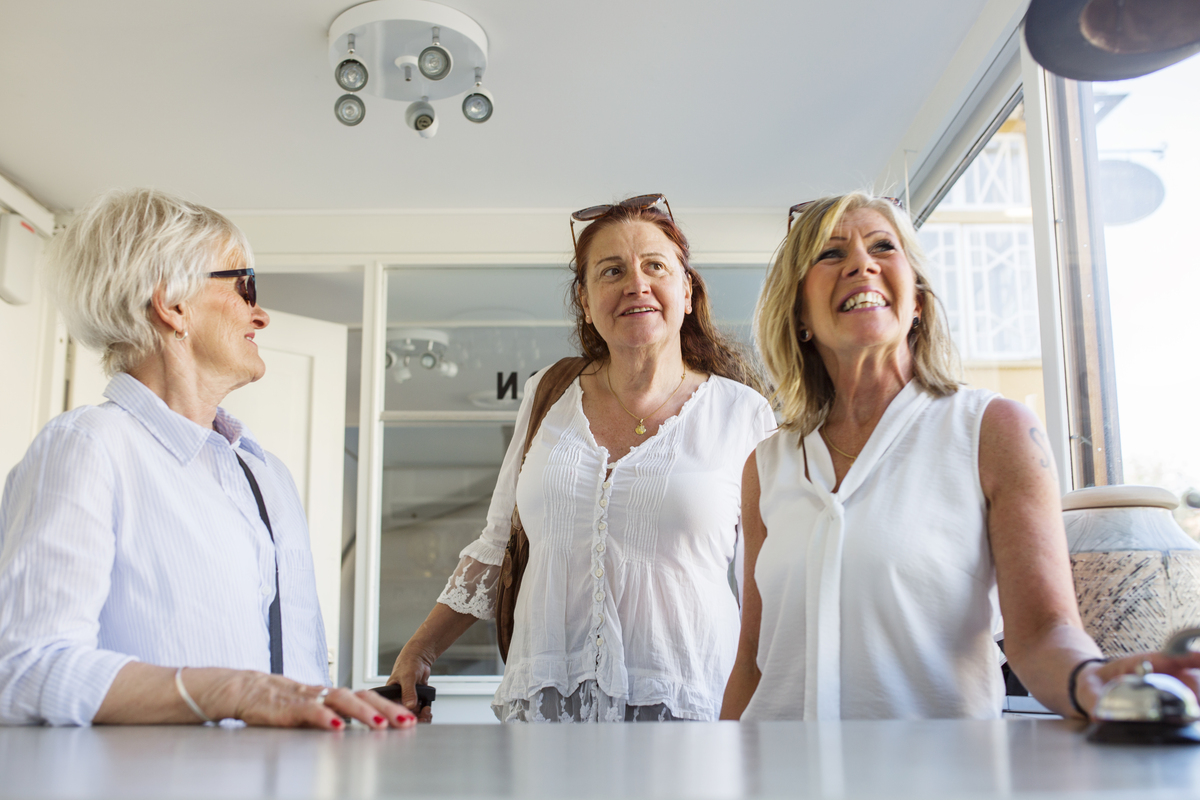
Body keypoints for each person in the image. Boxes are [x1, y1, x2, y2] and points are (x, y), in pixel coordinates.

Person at [720, 192, 1200, 721]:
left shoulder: (994, 430)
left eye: (884, 246)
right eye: (830, 254)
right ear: (800, 313)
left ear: (918, 301)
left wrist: (1090, 679)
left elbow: (1043, 633)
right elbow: (753, 663)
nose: (862, 262)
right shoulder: (765, 466)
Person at [0, 189, 415, 729]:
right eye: (246, 287)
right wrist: (231, 689)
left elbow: (280, 673)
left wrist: (343, 709)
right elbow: (24, 670)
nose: (261, 314)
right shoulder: (89, 446)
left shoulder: (268, 476)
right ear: (172, 303)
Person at [389, 194, 775, 722]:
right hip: (548, 709)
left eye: (655, 266)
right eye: (611, 270)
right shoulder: (547, 394)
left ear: (686, 292)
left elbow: (771, 581)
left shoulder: (742, 412)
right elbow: (496, 543)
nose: (635, 284)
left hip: (689, 708)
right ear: (586, 301)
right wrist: (420, 650)